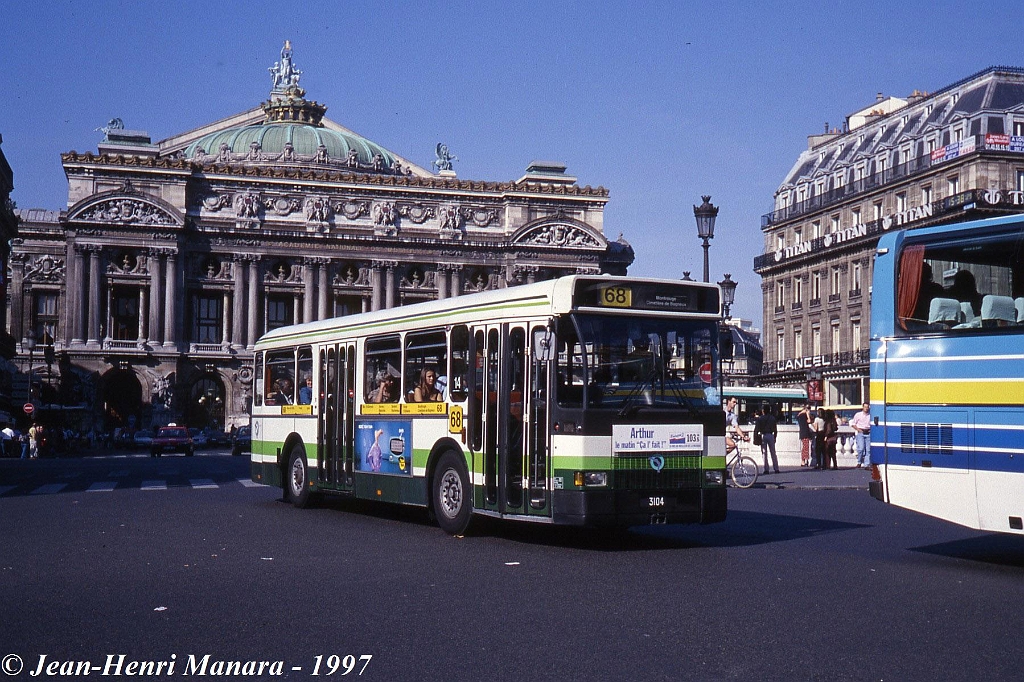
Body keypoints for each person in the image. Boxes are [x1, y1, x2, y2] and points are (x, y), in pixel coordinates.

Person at [754, 403, 780, 475]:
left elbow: (757, 429)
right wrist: (775, 437)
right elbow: (775, 429)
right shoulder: (772, 418)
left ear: (763, 411)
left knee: (764, 453)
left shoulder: (760, 418)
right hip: (771, 435)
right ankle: (776, 468)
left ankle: (766, 469)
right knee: (773, 452)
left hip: (763, 435)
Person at [850, 402, 872, 469]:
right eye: (865, 407)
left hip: (868, 432)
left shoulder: (870, 415)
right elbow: (853, 424)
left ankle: (866, 464)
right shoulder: (858, 415)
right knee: (861, 448)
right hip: (861, 432)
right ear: (863, 407)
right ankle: (859, 462)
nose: (866, 408)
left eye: (867, 407)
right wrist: (858, 429)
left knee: (868, 450)